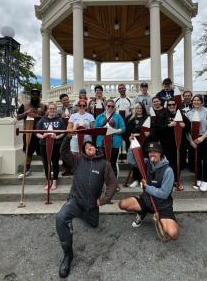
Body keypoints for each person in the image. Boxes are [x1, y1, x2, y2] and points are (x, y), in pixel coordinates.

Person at [56, 135, 118, 278]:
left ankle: (82, 215)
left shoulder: (105, 164)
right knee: (61, 218)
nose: (89, 147)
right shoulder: (78, 160)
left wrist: (102, 201)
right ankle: (68, 256)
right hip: (75, 201)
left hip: (91, 206)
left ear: (95, 148)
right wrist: (67, 137)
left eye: (91, 146)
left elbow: (113, 184)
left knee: (94, 224)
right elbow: (63, 152)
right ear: (83, 150)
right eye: (86, 147)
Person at [118, 141, 179, 241]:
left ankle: (163, 220)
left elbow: (164, 194)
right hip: (146, 200)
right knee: (122, 204)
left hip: (162, 206)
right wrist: (130, 146)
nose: (151, 153)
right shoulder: (147, 163)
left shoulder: (168, 170)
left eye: (155, 151)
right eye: (150, 151)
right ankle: (142, 212)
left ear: (160, 153)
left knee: (173, 234)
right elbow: (131, 161)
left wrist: (147, 187)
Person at [184, 94, 207, 192]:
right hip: (193, 140)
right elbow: (186, 130)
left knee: (206, 160)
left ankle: (205, 180)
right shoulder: (189, 113)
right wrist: (190, 141)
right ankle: (198, 178)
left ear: (202, 101)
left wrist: (202, 138)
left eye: (198, 100)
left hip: (205, 138)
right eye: (194, 100)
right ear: (192, 102)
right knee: (196, 160)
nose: (196, 102)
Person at [16, 88, 47, 178]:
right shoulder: (24, 106)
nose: (35, 96)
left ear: (39, 96)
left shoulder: (44, 106)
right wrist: (26, 113)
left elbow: (47, 117)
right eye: (33, 94)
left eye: (37, 94)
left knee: (42, 152)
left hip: (40, 132)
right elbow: (18, 117)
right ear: (31, 96)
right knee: (28, 152)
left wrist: (39, 115)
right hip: (28, 133)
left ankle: (46, 169)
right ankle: (27, 169)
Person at [36, 103, 66, 189]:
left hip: (56, 144)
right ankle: (48, 181)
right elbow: (37, 132)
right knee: (46, 163)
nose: (52, 110)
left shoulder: (59, 120)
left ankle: (55, 181)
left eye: (54, 109)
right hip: (44, 144)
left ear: (56, 110)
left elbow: (63, 132)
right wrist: (42, 136)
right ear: (47, 110)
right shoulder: (42, 120)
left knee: (55, 162)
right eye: (50, 109)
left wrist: (57, 137)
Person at [94, 99, 126, 178]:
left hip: (114, 143)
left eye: (112, 106)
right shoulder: (99, 116)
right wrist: (103, 129)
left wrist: (113, 131)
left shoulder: (118, 117)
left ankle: (114, 183)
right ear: (105, 106)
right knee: (102, 163)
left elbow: (123, 128)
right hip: (101, 143)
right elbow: (95, 129)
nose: (110, 107)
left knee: (113, 163)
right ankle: (103, 183)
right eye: (109, 106)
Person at [163, 98, 189, 191]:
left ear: (176, 105)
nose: (171, 106)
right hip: (168, 144)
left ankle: (177, 181)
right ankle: (171, 181)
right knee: (169, 163)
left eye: (173, 104)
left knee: (179, 162)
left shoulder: (181, 114)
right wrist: (169, 125)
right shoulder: (164, 114)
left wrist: (184, 125)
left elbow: (189, 126)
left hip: (180, 144)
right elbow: (159, 127)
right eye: (169, 105)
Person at [125, 102, 149, 188]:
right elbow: (128, 133)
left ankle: (143, 180)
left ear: (143, 109)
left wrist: (149, 134)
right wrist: (130, 137)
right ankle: (136, 180)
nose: (139, 110)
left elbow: (152, 130)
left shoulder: (147, 118)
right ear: (135, 109)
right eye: (137, 108)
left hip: (145, 144)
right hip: (135, 143)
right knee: (136, 162)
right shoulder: (131, 120)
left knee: (144, 162)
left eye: (141, 108)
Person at [58, 93, 75, 176]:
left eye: (66, 99)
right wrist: (61, 116)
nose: (66, 101)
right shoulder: (59, 110)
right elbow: (56, 120)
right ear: (61, 101)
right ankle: (66, 169)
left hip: (72, 132)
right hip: (62, 132)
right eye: (64, 100)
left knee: (71, 150)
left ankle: (72, 167)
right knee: (64, 151)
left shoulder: (74, 108)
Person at [180, 90, 193, 171]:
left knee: (191, 148)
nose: (187, 97)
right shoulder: (180, 106)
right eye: (186, 95)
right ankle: (183, 165)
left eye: (189, 95)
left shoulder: (194, 104)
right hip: (183, 129)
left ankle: (191, 166)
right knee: (183, 148)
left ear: (191, 96)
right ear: (183, 96)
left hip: (192, 129)